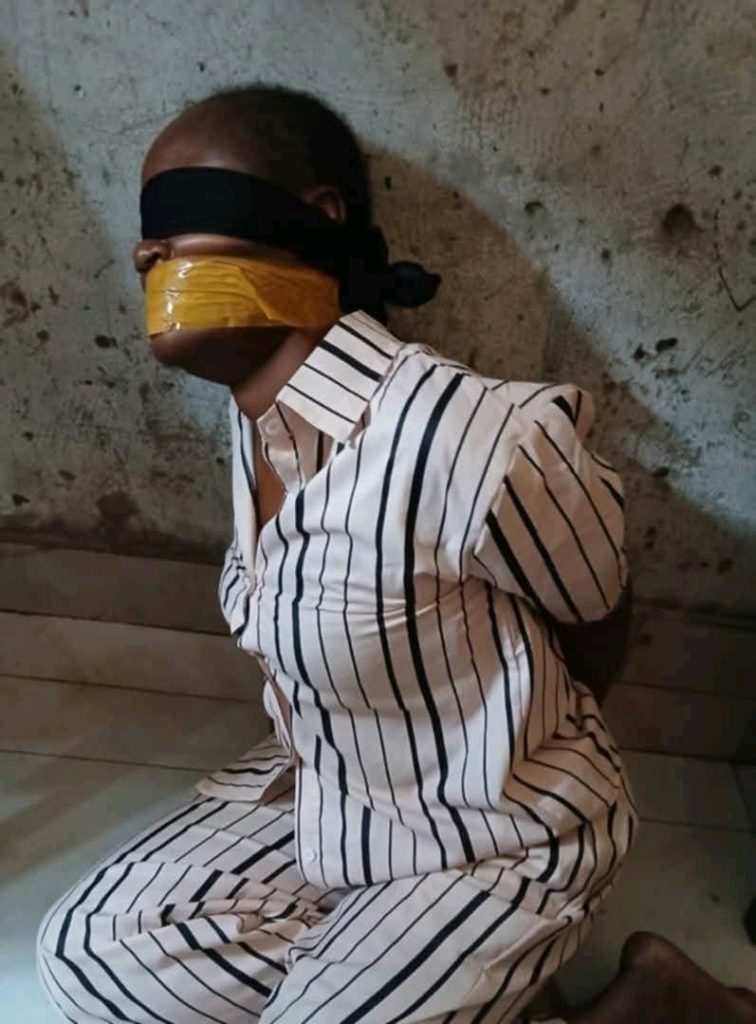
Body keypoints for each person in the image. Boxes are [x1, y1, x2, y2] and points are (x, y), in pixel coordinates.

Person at [37, 85, 756, 1024]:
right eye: (146, 230)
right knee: (84, 958)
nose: (147, 252)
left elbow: (597, 614)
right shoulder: (253, 427)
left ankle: (629, 999)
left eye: (184, 212)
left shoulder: (470, 435)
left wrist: (502, 758)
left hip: (500, 834)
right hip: (337, 796)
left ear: (316, 218)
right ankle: (467, 984)